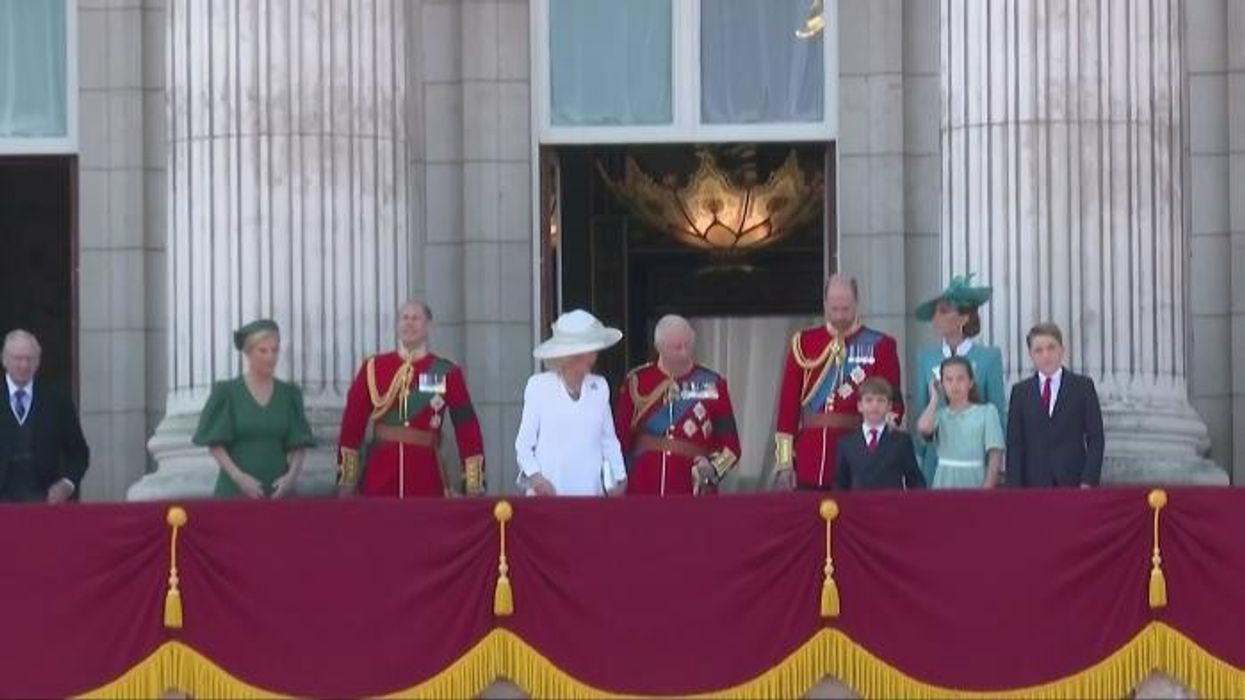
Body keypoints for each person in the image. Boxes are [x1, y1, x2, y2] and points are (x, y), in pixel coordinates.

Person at [336, 302, 485, 498]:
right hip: (379, 475)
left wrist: (473, 483)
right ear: (397, 325)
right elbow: (352, 424)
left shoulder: (446, 371)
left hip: (426, 475)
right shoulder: (373, 368)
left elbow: (467, 428)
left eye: (416, 318)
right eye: (404, 318)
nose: (409, 323)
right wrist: (347, 479)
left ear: (429, 327)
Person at [774, 275, 904, 490]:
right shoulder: (803, 344)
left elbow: (894, 404)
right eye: (834, 309)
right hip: (810, 460)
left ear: (857, 303)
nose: (840, 316)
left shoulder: (881, 345)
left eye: (846, 309)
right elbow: (788, 408)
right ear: (825, 304)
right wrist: (785, 462)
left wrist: (878, 450)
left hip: (859, 460)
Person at [614, 315, 741, 496]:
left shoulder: (713, 383)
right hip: (643, 489)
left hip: (691, 493)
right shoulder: (637, 381)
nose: (684, 353)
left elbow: (732, 448)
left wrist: (713, 469)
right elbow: (619, 440)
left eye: (688, 345)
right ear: (659, 347)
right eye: (677, 348)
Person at [193, 320, 315, 498]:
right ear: (248, 353)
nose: (270, 357)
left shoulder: (289, 394)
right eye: (263, 351)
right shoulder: (227, 392)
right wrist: (239, 478)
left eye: (275, 350)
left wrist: (291, 478)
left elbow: (299, 443)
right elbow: (215, 444)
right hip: (234, 493)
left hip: (279, 496)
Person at [515, 309, 627, 497]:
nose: (594, 356)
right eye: (588, 351)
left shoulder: (599, 387)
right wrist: (537, 479)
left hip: (590, 491)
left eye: (593, 350)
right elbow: (524, 445)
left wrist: (620, 477)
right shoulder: (539, 386)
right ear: (570, 356)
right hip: (549, 492)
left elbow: (608, 439)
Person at [912, 274, 1006, 484]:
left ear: (963, 319)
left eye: (944, 311)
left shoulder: (988, 357)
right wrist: (918, 456)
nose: (936, 318)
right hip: (935, 459)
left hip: (974, 460)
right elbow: (921, 405)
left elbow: (998, 410)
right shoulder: (926, 357)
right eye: (935, 312)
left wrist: (995, 465)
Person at [1006, 322, 1105, 488]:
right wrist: (1014, 488)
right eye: (1038, 350)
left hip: (1073, 482)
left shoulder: (1082, 387)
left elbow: (1096, 438)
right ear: (1031, 355)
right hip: (1033, 484)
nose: (1046, 355)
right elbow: (1015, 444)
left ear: (1062, 350)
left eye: (1051, 348)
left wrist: (1088, 481)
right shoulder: (1020, 392)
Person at [0, 329, 89, 503]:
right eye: (18, 358)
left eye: (30, 359)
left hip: (45, 502)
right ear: (4, 359)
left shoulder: (57, 400)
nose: (24, 365)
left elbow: (79, 453)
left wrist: (67, 484)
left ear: (38, 361)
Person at [916, 356, 1004, 489]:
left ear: (971, 382)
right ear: (942, 384)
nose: (954, 385)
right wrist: (934, 398)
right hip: (944, 481)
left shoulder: (987, 412)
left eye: (960, 379)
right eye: (949, 380)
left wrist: (987, 488)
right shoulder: (939, 415)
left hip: (975, 479)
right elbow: (923, 428)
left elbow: (995, 455)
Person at [833, 378, 924, 491]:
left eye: (880, 400)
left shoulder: (901, 441)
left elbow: (915, 481)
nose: (875, 405)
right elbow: (840, 485)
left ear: (889, 406)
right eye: (869, 400)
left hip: (891, 502)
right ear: (860, 406)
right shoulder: (846, 444)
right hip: (858, 502)